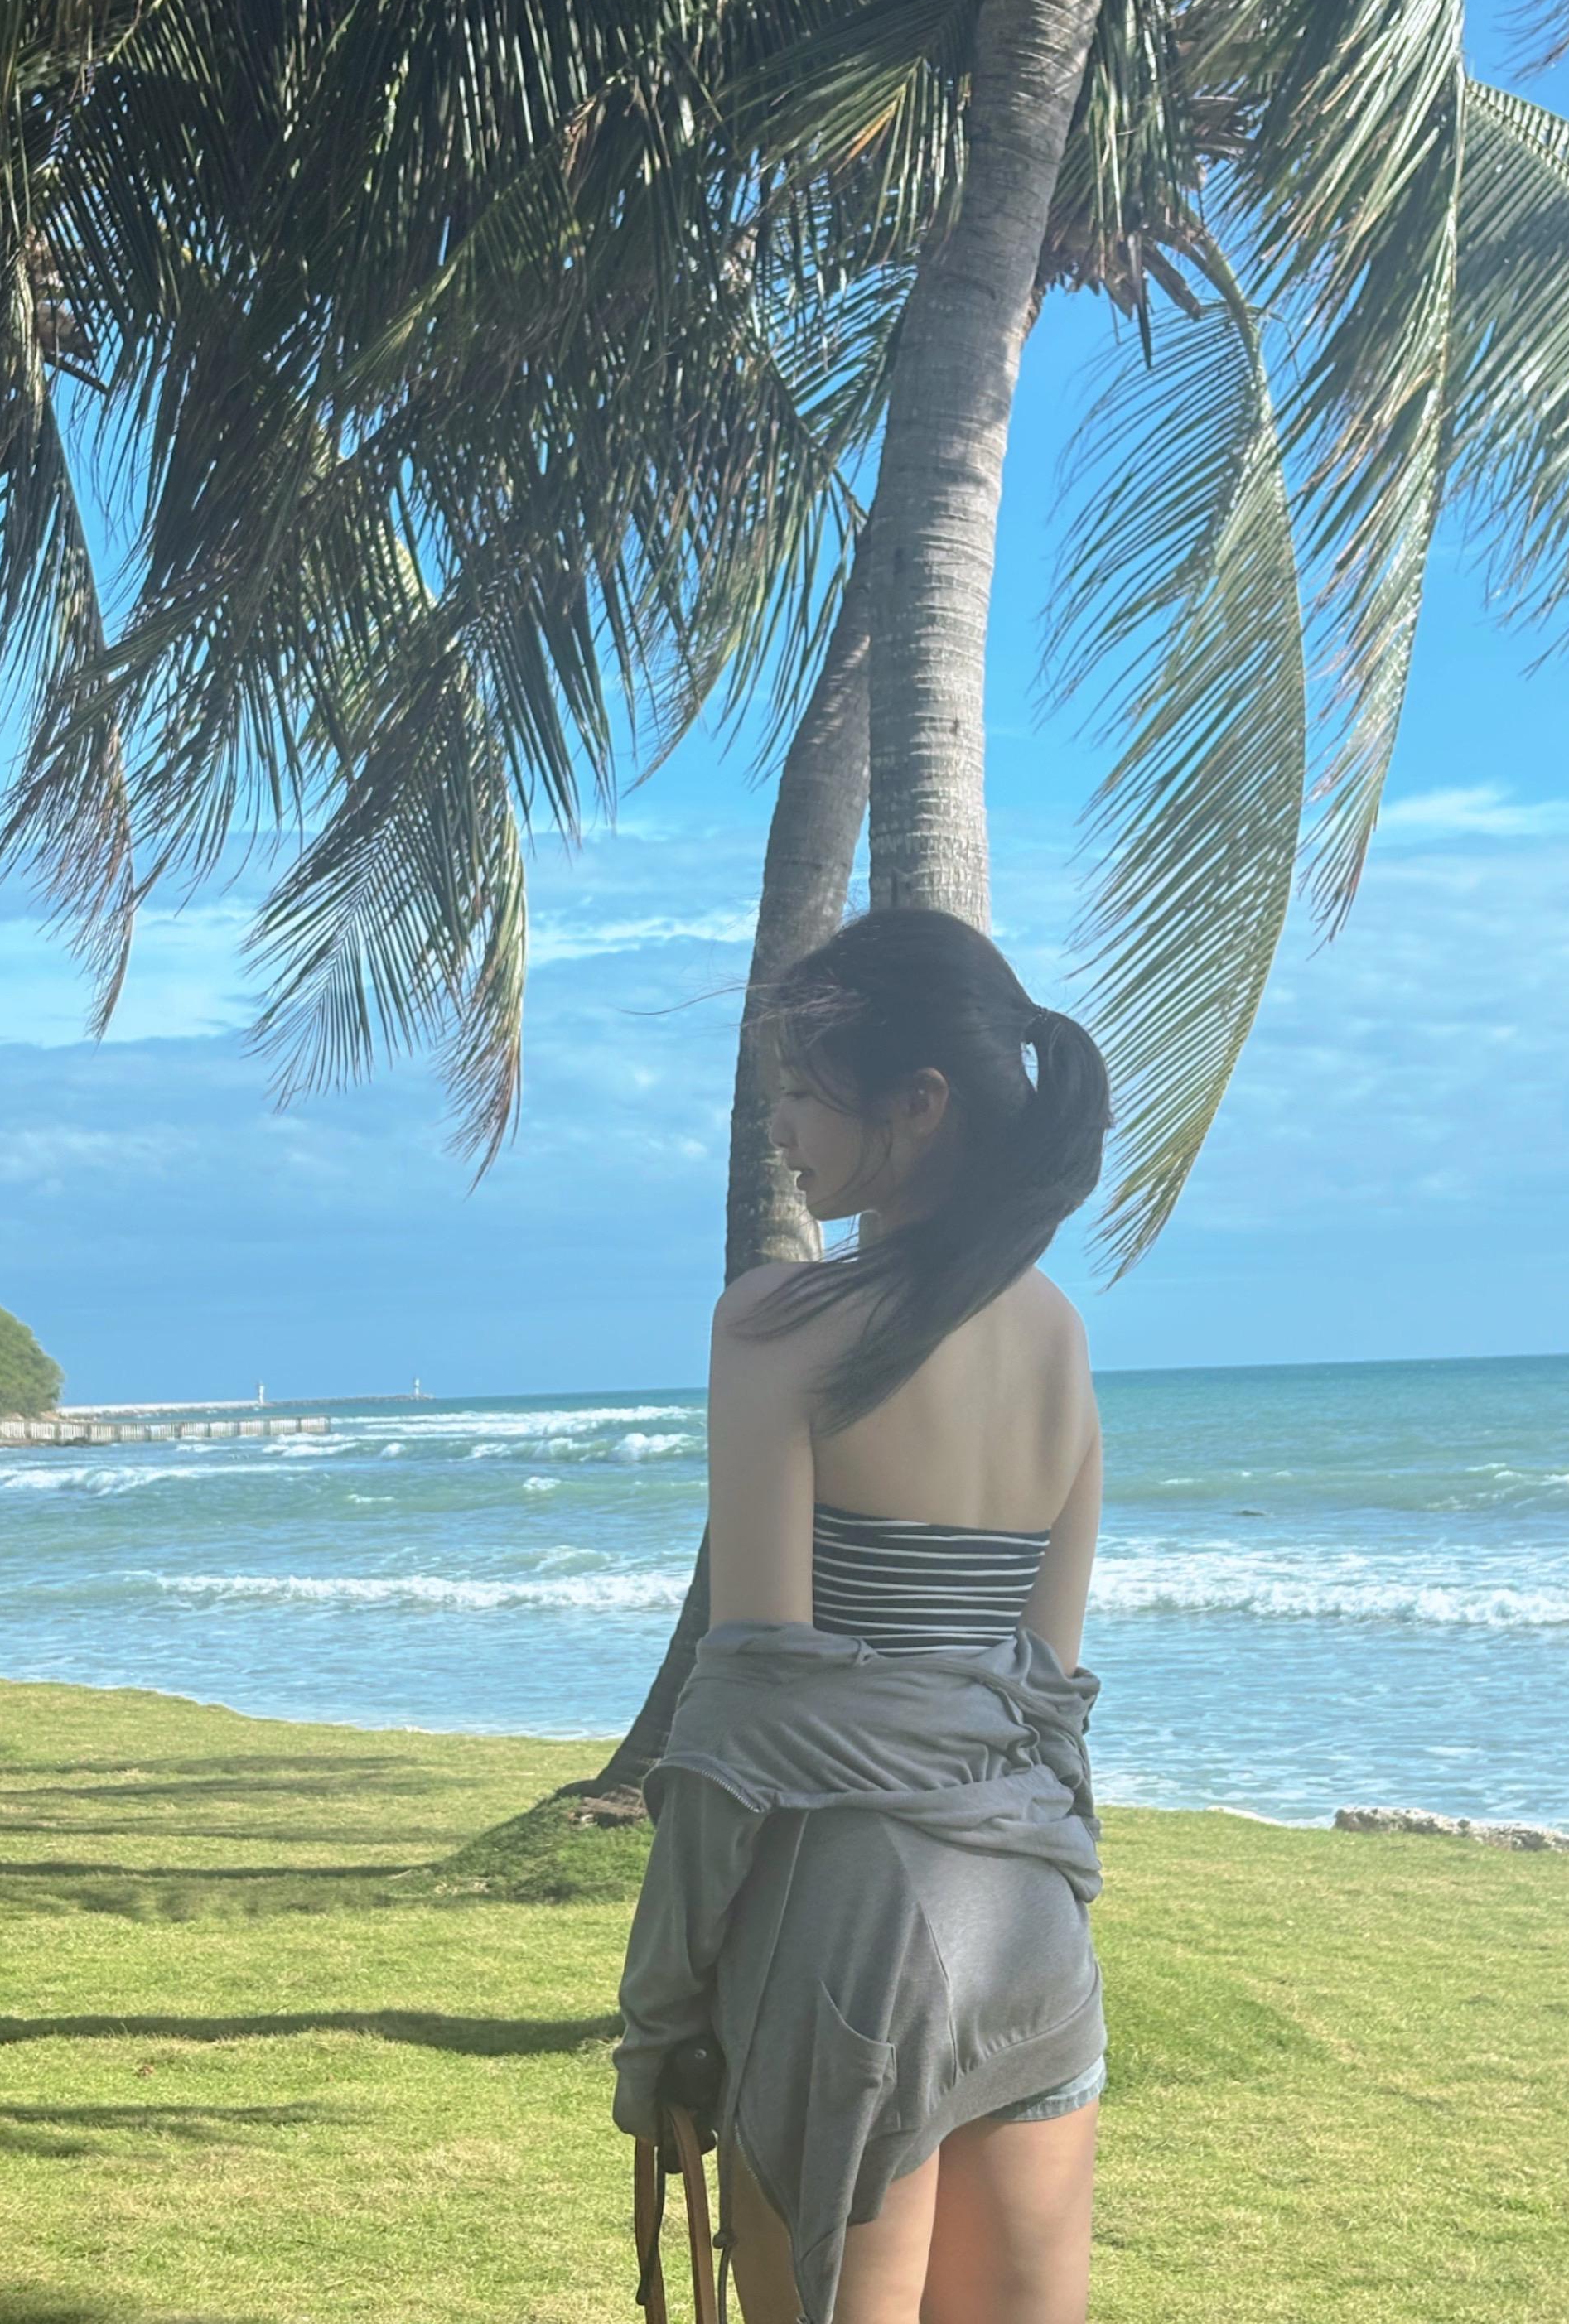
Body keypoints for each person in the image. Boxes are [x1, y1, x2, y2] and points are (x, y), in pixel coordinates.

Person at [612, 905, 1113, 2324]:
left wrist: (661, 2016)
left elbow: (753, 1712)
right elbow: (1046, 1702)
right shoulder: (1060, 1334)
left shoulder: (777, 1322)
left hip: (847, 1942)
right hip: (1030, 1930)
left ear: (919, 1100)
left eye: (799, 1086)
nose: (775, 1123)